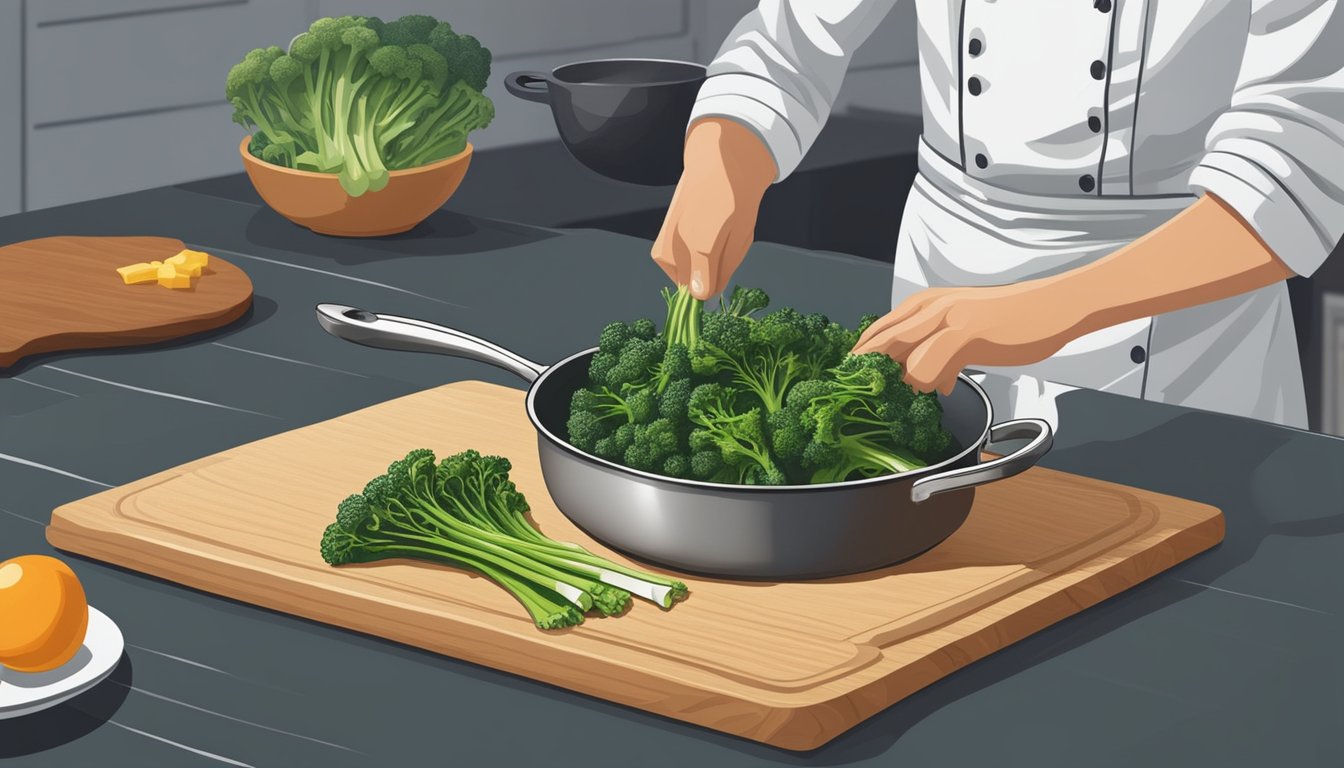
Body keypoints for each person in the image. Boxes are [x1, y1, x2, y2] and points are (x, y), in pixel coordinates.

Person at [652, 0, 1344, 428]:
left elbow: (1297, 168)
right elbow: (788, 42)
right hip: (942, 289)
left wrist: (1057, 306)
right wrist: (723, 162)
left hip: (1179, 346)